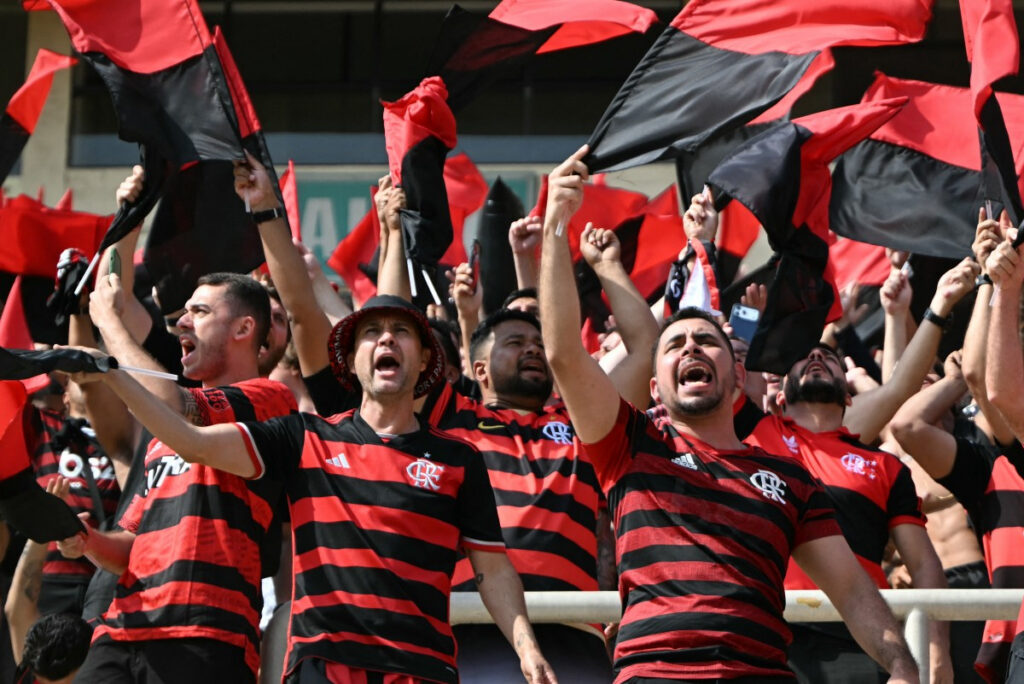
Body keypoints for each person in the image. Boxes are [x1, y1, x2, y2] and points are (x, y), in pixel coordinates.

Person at [538, 145, 920, 684]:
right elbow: (562, 354)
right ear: (653, 386)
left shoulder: (791, 481)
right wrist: (557, 222)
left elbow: (854, 590)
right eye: (674, 345)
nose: (691, 348)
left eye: (706, 341)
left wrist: (902, 666)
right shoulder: (628, 444)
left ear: (739, 374)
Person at [70, 295, 557, 684]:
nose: (386, 338)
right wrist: (113, 374)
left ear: (426, 356)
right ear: (352, 358)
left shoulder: (459, 458)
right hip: (324, 666)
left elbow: (492, 568)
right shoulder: (304, 436)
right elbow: (191, 441)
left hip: (422, 667)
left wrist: (527, 647)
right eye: (371, 332)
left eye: (401, 331)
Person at [60, 272, 296, 683]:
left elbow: (179, 407)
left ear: (244, 328)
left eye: (199, 312)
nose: (182, 322)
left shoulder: (271, 400)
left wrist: (110, 324)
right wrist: (84, 538)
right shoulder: (161, 439)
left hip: (206, 631)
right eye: (184, 312)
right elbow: (129, 547)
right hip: (122, 628)